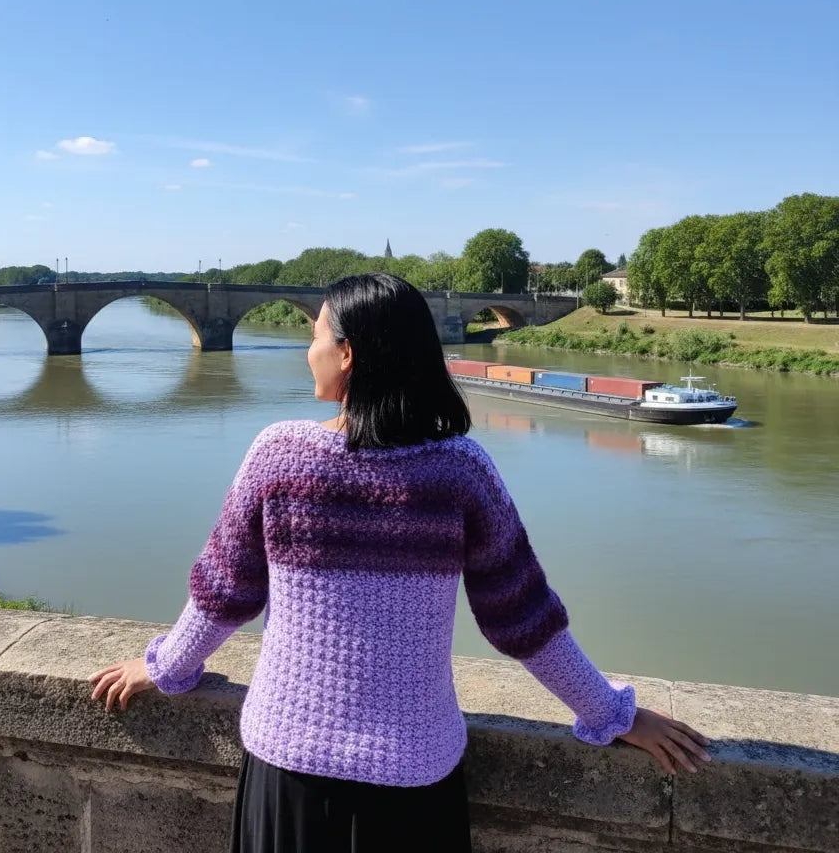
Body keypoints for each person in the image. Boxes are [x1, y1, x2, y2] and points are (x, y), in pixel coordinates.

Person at [90, 273, 711, 852]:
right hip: (414, 782)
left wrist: (168, 667)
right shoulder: (461, 470)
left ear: (349, 354)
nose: (308, 352)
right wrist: (610, 713)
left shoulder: (277, 456)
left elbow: (226, 591)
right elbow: (521, 619)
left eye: (314, 337)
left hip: (287, 774)